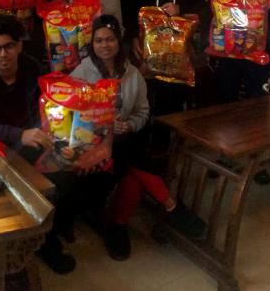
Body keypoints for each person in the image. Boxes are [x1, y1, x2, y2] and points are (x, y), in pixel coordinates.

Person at [69, 16, 204, 260]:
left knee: (129, 160)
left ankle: (118, 225)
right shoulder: (81, 73)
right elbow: (71, 115)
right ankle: (170, 204)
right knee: (129, 152)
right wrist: (103, 126)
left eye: (110, 39)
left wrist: (129, 125)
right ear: (92, 44)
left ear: (119, 41)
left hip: (125, 139)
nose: (105, 45)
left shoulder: (133, 74)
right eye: (99, 40)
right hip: (91, 143)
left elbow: (142, 112)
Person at [0, 15, 76, 274]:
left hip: (36, 143)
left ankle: (46, 236)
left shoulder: (36, 70)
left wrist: (49, 134)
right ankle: (18, 239)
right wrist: (18, 134)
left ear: (19, 46)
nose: (3, 54)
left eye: (9, 46)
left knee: (68, 171)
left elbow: (51, 110)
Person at [126, 0, 205, 146]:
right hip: (147, 54)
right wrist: (133, 38)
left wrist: (181, 9)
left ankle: (173, 150)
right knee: (145, 101)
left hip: (179, 56)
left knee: (175, 104)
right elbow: (129, 11)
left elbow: (203, 9)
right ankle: (148, 149)